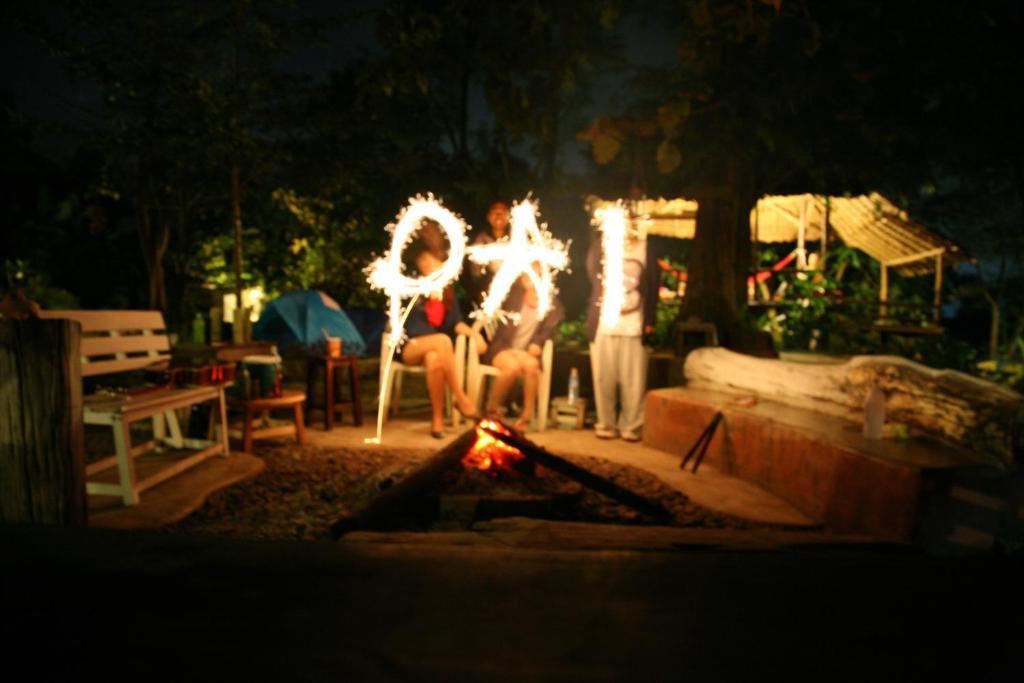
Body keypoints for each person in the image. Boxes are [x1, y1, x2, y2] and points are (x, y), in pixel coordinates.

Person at [402, 240, 487, 438]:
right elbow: (412, 327)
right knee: (443, 341)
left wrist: (475, 334)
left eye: (430, 260)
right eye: (421, 261)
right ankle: (460, 397)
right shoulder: (413, 287)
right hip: (410, 346)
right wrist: (425, 294)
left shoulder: (448, 292)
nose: (425, 265)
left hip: (434, 350)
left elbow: (456, 322)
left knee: (435, 361)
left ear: (441, 263)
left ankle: (437, 421)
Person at [585, 217, 660, 442]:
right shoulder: (603, 246)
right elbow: (592, 273)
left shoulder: (646, 248)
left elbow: (654, 284)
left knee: (634, 378)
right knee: (603, 377)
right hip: (605, 323)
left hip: (634, 322)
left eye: (629, 223)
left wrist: (650, 320)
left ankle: (632, 425)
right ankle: (606, 423)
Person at [479, 270, 564, 433]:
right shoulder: (513, 295)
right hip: (502, 348)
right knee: (511, 367)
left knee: (532, 366)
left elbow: (549, 330)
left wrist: (537, 343)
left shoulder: (551, 305)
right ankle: (491, 410)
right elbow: (490, 302)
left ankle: (526, 416)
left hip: (525, 351)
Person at [466, 199, 511, 306]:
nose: (499, 215)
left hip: (512, 295)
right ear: (489, 217)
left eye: (503, 212)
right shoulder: (481, 241)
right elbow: (474, 274)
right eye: (495, 212)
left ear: (508, 217)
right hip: (488, 296)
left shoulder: (517, 239)